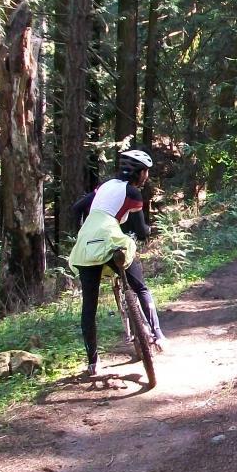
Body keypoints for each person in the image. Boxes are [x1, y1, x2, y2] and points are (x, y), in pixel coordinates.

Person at [68, 148, 166, 376]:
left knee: (89, 307)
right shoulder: (132, 192)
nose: (147, 177)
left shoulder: (104, 186)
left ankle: (92, 362)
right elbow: (140, 230)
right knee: (139, 286)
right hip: (110, 241)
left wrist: (85, 231)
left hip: (85, 245)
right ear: (140, 173)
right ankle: (158, 335)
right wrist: (149, 230)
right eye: (146, 172)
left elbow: (77, 208)